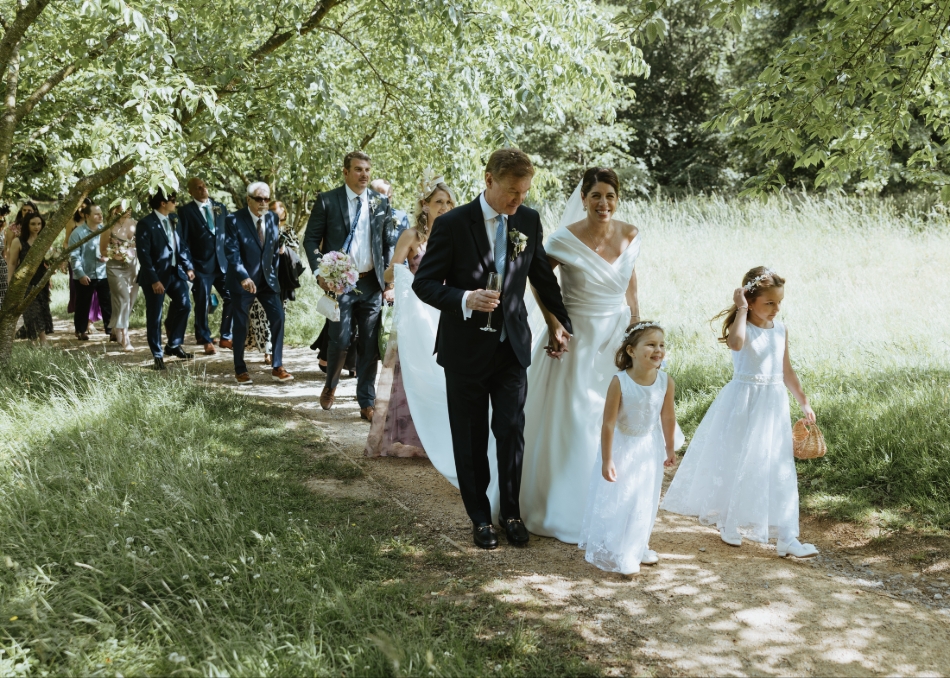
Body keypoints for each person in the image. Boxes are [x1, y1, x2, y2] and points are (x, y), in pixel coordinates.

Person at [413, 148, 572, 550]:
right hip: (464, 348)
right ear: (488, 180)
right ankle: (480, 518)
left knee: (511, 430)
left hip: (511, 347)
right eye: (511, 192)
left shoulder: (529, 221)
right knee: (469, 435)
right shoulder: (451, 224)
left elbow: (541, 277)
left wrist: (562, 324)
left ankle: (511, 513)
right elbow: (425, 284)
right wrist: (465, 298)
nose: (518, 200)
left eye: (524, 192)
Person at [519, 168, 646, 545]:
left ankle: (613, 503)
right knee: (576, 419)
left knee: (615, 419)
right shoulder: (563, 238)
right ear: (584, 198)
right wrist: (553, 321)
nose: (603, 203)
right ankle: (564, 505)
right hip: (576, 337)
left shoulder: (631, 233)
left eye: (610, 195)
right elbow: (537, 279)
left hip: (616, 336)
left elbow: (631, 279)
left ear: (617, 197)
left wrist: (636, 324)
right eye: (596, 196)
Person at [661, 267, 819, 559]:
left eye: (779, 302)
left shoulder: (781, 330)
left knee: (779, 466)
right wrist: (742, 309)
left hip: (773, 404)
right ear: (750, 299)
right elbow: (735, 344)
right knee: (739, 460)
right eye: (769, 302)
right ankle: (729, 521)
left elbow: (786, 371)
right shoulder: (742, 326)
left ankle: (787, 537)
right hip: (744, 401)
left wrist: (803, 402)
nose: (775, 308)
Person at [365, 171, 456, 458]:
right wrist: (404, 271)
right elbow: (390, 271)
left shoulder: (455, 234)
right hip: (417, 313)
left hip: (443, 312)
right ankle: (409, 436)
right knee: (412, 372)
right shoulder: (411, 236)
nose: (444, 207)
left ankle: (439, 439)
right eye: (439, 201)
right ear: (425, 204)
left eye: (449, 203)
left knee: (441, 374)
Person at [578, 322, 678, 575]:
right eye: (651, 344)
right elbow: (608, 424)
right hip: (623, 447)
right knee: (623, 497)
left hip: (649, 447)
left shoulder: (666, 381)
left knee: (645, 497)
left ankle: (639, 543)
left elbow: (667, 418)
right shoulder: (619, 382)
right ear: (631, 351)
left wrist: (669, 448)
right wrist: (607, 459)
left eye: (662, 345)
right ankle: (622, 551)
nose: (659, 350)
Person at [303, 151, 395, 421]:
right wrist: (321, 272)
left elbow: (388, 243)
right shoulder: (327, 200)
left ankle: (366, 402)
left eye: (367, 169)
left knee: (369, 345)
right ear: (345, 172)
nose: (364, 174)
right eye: (358, 169)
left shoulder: (380, 202)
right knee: (340, 340)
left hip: (371, 284)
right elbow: (310, 240)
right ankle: (331, 384)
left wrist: (388, 282)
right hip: (341, 284)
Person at [225, 181, 293, 384]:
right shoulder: (233, 220)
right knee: (240, 326)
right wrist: (243, 276)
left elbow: (271, 249)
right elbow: (232, 252)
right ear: (249, 200)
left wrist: (273, 271)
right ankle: (240, 368)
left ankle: (277, 365)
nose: (263, 203)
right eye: (259, 199)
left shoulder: (272, 217)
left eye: (266, 199)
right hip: (242, 281)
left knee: (278, 318)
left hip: (267, 281)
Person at [136, 190, 195, 370]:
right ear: (163, 203)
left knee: (185, 306)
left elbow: (180, 246)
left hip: (175, 274)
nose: (175, 203)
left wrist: (188, 267)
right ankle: (157, 355)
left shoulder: (173, 219)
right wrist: (154, 280)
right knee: (155, 315)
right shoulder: (146, 224)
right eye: (173, 200)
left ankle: (173, 345)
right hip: (155, 277)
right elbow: (143, 255)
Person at [179, 177, 232, 355]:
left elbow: (227, 234)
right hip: (200, 266)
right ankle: (206, 338)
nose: (202, 190)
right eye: (198, 188)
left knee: (231, 297)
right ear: (190, 192)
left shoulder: (220, 207)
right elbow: (183, 242)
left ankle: (226, 335)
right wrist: (188, 266)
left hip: (223, 264)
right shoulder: (185, 211)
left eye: (204, 186)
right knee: (202, 302)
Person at [69, 201, 112, 341]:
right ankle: (81, 330)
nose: (100, 216)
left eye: (101, 214)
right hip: (84, 274)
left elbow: (109, 249)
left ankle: (111, 330)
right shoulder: (77, 233)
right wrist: (80, 274)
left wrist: (107, 257)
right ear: (87, 216)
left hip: (102, 273)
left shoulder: (105, 230)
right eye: (96, 214)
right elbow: (74, 255)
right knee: (82, 303)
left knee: (107, 302)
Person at [8, 213, 53, 343]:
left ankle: (32, 341)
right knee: (32, 311)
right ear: (27, 225)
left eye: (39, 224)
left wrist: (49, 277)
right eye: (33, 224)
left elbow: (48, 261)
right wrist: (10, 281)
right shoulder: (18, 241)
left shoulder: (44, 240)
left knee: (43, 309)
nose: (36, 227)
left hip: (41, 280)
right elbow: (12, 263)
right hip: (24, 282)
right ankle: (41, 341)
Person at [101, 206, 137, 351]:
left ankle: (117, 328)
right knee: (123, 298)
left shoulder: (135, 223)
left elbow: (141, 244)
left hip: (133, 266)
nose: (128, 210)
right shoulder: (108, 227)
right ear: (115, 210)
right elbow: (102, 250)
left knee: (130, 299)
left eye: (130, 207)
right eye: (124, 208)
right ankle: (125, 335)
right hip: (115, 267)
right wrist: (115, 254)